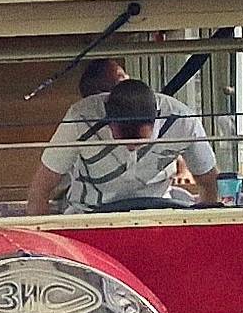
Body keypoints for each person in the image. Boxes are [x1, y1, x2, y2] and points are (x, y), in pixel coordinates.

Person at [28, 78, 220, 214]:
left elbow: (209, 182)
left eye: (140, 142)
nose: (131, 147)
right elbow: (41, 188)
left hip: (160, 213)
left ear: (156, 120)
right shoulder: (80, 119)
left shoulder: (182, 121)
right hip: (90, 216)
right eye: (121, 140)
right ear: (108, 121)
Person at [51, 59, 210, 191]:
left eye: (124, 77)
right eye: (119, 81)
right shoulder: (81, 120)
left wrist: (184, 169)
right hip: (95, 210)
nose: (127, 83)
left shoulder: (179, 118)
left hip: (159, 207)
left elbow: (207, 178)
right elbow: (45, 183)